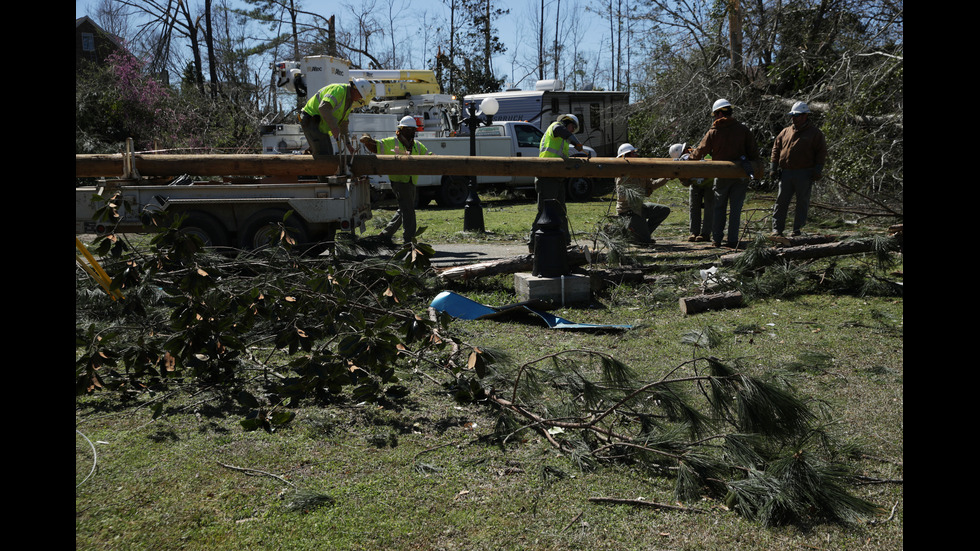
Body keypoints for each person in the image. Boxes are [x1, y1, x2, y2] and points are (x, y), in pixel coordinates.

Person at [688, 99, 761, 248]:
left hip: (721, 175)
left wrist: (688, 160)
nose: (715, 118)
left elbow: (701, 151)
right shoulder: (743, 130)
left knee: (719, 208)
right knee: (735, 210)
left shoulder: (714, 132)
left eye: (715, 114)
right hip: (740, 174)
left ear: (720, 113)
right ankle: (733, 240)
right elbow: (754, 152)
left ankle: (717, 239)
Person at [359, 116, 430, 243]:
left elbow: (429, 156)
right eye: (409, 129)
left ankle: (385, 235)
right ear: (401, 130)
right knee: (408, 211)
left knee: (404, 208)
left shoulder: (416, 145)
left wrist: (438, 159)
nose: (412, 132)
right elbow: (376, 146)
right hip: (399, 182)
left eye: (413, 129)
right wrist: (368, 140)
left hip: (411, 181)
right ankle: (409, 240)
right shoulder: (391, 142)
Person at [770, 101, 827, 237]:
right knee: (781, 202)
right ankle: (777, 229)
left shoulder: (815, 133)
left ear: (805, 116)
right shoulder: (785, 132)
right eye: (792, 115)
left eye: (796, 115)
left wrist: (818, 169)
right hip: (786, 173)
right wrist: (773, 167)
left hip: (804, 173)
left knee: (802, 202)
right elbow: (776, 149)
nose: (793, 118)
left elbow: (821, 152)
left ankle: (797, 230)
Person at [529, 114, 585, 252]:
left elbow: (561, 156)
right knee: (544, 211)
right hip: (546, 176)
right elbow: (564, 133)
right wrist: (576, 143)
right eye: (572, 127)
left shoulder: (563, 140)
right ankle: (533, 244)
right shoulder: (556, 127)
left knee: (561, 211)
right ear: (566, 122)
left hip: (557, 177)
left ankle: (565, 242)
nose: (572, 131)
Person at [299, 78, 372, 162]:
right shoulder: (339, 90)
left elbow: (343, 125)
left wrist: (348, 145)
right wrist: (334, 127)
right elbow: (323, 108)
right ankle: (318, 173)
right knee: (325, 154)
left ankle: (307, 170)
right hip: (311, 119)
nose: (360, 98)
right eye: (360, 95)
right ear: (355, 89)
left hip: (317, 123)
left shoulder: (348, 102)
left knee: (323, 151)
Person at [614, 143, 671, 244]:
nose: (636, 155)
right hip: (628, 212)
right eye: (633, 153)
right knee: (645, 242)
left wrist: (666, 178)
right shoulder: (622, 175)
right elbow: (622, 196)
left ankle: (639, 234)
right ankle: (634, 235)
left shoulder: (640, 170)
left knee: (664, 210)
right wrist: (642, 192)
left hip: (639, 208)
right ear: (625, 156)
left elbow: (651, 184)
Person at [668, 142, 714, 242]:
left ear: (686, 150)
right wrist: (683, 178)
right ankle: (694, 232)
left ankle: (706, 234)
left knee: (709, 208)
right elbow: (685, 183)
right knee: (694, 207)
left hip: (709, 183)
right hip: (695, 185)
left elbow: (711, 167)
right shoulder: (681, 161)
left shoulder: (702, 153)